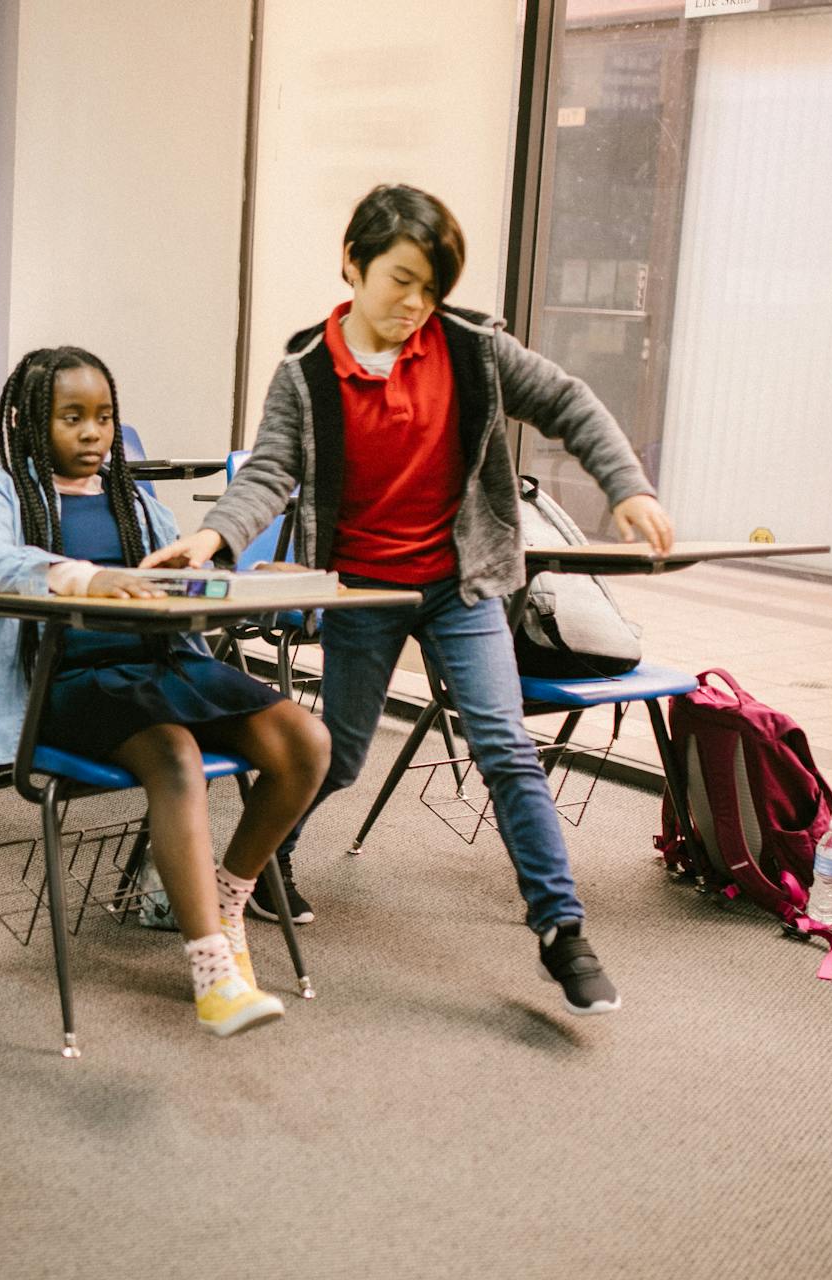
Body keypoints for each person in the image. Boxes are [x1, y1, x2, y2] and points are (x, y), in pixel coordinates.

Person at [143, 184, 675, 1016]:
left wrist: (629, 489)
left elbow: (569, 401)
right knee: (342, 754)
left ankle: (560, 930)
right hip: (363, 594)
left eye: (432, 287)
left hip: (462, 585)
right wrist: (213, 538)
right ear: (352, 264)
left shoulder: (469, 348)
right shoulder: (307, 373)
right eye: (400, 280)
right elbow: (271, 472)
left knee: (501, 743)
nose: (415, 304)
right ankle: (260, 856)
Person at [0, 346, 332, 1038]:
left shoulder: (135, 502)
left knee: (306, 741)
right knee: (175, 756)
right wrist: (83, 577)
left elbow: (182, 586)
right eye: (73, 418)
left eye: (103, 417)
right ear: (30, 422)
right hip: (66, 684)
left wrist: (249, 580)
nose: (94, 433)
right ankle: (213, 972)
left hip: (162, 668)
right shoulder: (1, 495)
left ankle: (227, 898)